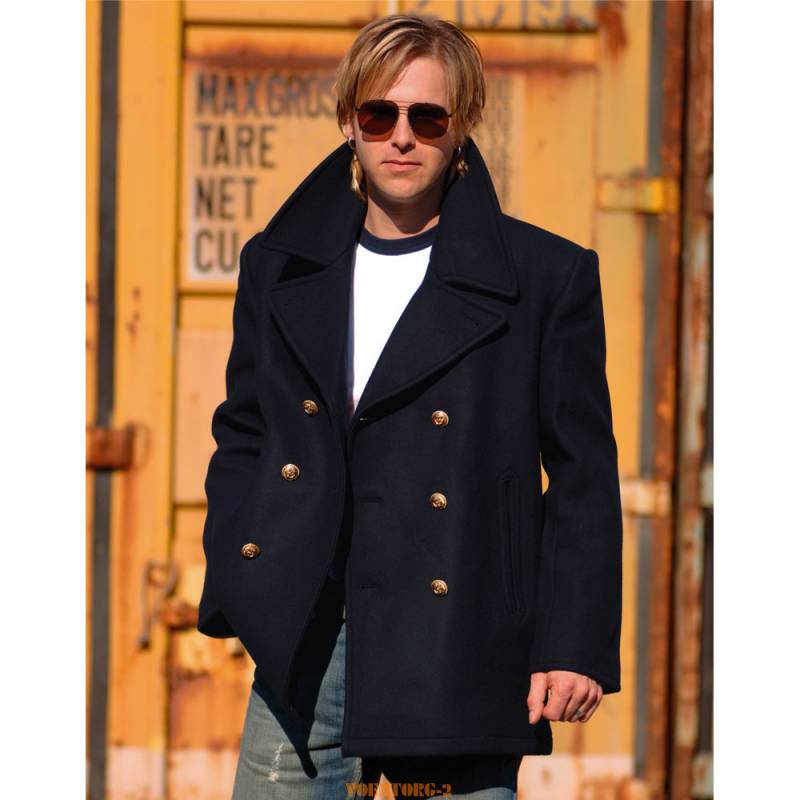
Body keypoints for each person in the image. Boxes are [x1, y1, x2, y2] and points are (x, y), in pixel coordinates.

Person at [197, 12, 623, 799]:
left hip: (463, 637)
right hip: (311, 638)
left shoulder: (544, 276)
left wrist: (573, 644)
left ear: (461, 128)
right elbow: (246, 432)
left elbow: (583, 477)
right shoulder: (279, 266)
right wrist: (241, 576)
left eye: (427, 117)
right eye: (378, 114)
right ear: (349, 122)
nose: (401, 137)